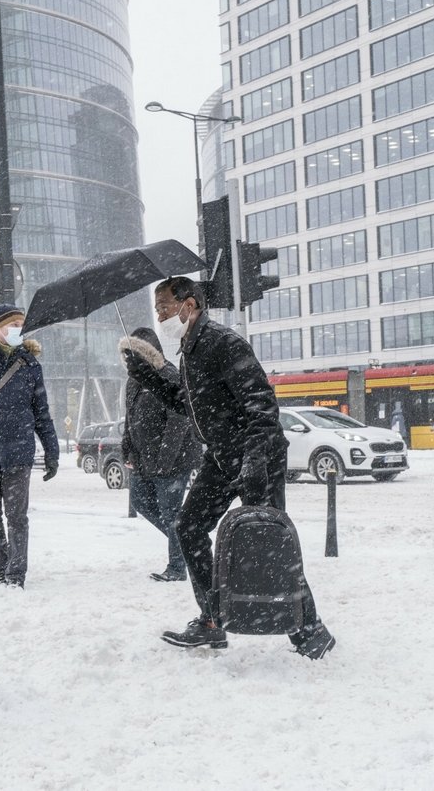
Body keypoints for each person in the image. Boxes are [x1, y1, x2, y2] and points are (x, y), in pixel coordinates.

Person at [121, 277, 335, 660]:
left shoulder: (222, 342)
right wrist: (145, 374)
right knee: (188, 527)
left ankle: (310, 631)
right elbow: (187, 402)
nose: (160, 316)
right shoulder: (190, 349)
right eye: (157, 310)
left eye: (165, 307)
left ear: (189, 305)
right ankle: (212, 621)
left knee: (267, 541)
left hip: (258, 456)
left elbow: (262, 405)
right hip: (220, 457)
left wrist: (254, 461)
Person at [0, 304, 60, 589]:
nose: (18, 329)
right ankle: (3, 565)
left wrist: (52, 452)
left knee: (17, 516)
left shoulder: (30, 365)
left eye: (21, 325)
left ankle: (16, 574)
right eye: (12, 324)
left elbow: (42, 412)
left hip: (18, 453)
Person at [118, 326, 201, 582]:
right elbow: (130, 419)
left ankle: (177, 567)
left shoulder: (169, 375)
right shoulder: (133, 381)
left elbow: (178, 423)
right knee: (141, 501)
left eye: (136, 354)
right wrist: (127, 448)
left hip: (174, 459)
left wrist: (164, 461)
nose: (132, 359)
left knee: (171, 512)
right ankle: (186, 545)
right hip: (145, 459)